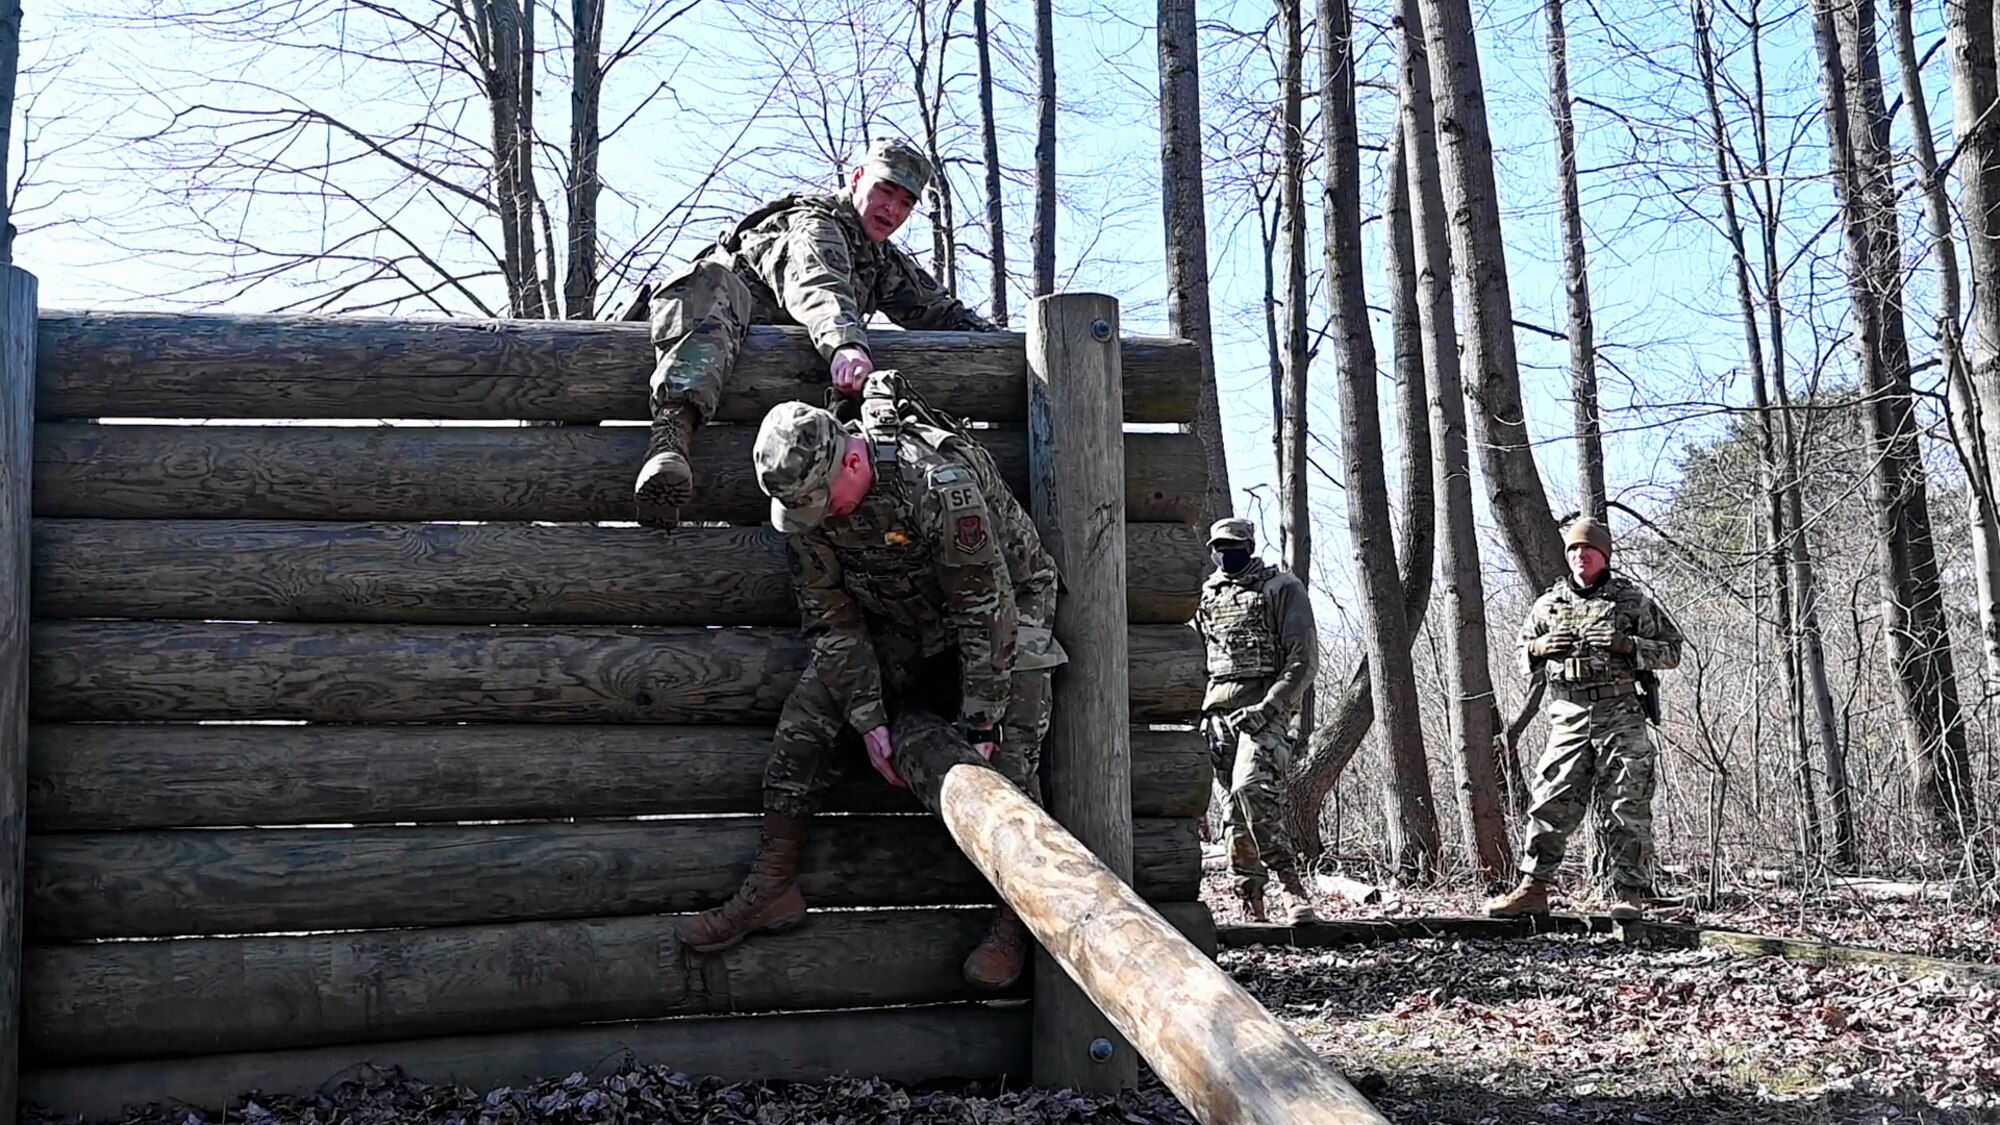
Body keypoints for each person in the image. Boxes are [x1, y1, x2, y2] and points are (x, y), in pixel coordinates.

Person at [681, 372, 1063, 990]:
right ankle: (773, 884)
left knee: (1012, 757)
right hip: (903, 619)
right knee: (805, 721)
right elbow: (831, 620)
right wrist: (868, 718)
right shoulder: (812, 511)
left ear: (851, 457)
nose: (819, 516)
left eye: (823, 498)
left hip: (1005, 610)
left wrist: (982, 717)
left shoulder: (937, 484)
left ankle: (1016, 919)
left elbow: (985, 606)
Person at [624, 137, 998, 526]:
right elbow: (818, 283)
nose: (892, 209)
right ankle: (669, 439)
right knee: (710, 280)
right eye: (884, 191)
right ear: (856, 179)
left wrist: (1004, 344)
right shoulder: (814, 224)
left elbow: (938, 310)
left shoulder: (879, 257)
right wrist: (845, 345)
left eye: (906, 202)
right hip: (709, 346)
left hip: (767, 403)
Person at [1486, 516, 1683, 921]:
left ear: (1604, 555)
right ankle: (1533, 888)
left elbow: (1672, 651)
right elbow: (1519, 654)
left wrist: (1628, 645)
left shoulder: (1632, 602)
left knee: (1627, 801)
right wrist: (1539, 647)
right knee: (1550, 799)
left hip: (1621, 713)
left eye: (1588, 549)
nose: (1580, 555)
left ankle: (1629, 892)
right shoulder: (1548, 604)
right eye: (1574, 549)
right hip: (1568, 714)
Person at [1190, 518, 1320, 925]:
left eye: (1232, 545)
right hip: (1217, 714)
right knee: (1233, 809)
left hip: (1265, 712)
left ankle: (1291, 888)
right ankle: (1251, 901)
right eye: (1218, 546)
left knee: (1252, 791)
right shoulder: (1206, 594)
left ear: (1248, 545)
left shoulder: (1281, 588)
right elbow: (1195, 656)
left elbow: (1303, 659)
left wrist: (1270, 706)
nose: (1224, 553)